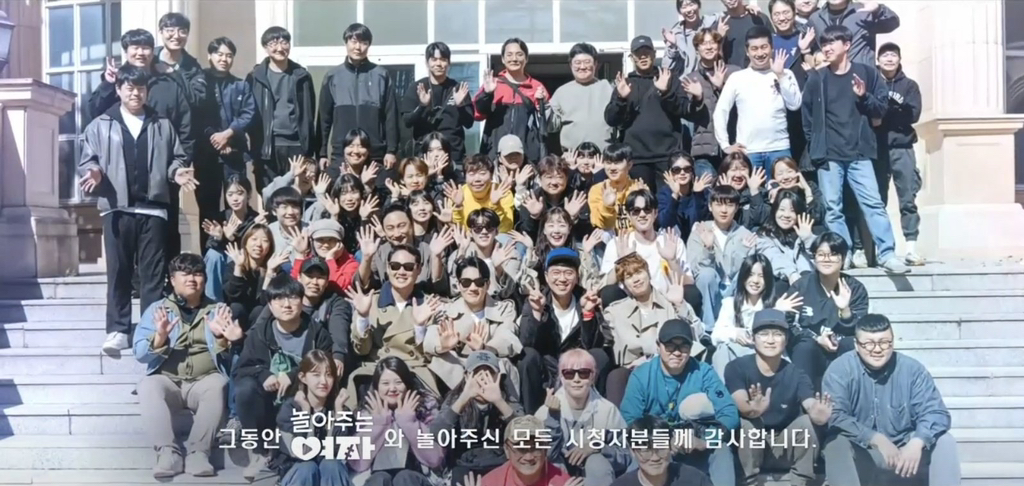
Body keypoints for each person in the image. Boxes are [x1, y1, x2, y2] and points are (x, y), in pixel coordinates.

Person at [79, 64, 197, 354]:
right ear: (118, 90)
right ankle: (118, 330)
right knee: (118, 272)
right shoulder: (101, 124)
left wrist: (176, 172)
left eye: (140, 88)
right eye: (129, 88)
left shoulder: (162, 124)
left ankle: (149, 330)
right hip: (116, 209)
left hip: (153, 210)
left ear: (147, 91)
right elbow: (88, 159)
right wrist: (94, 171)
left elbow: (177, 157)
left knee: (152, 277)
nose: (135, 93)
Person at [801, 25, 909, 274]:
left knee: (873, 204)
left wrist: (863, 96)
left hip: (859, 154)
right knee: (833, 209)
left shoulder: (867, 74)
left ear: (847, 45)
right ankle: (842, 254)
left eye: (832, 42)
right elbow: (807, 116)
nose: (826, 48)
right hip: (829, 156)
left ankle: (887, 254)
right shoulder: (817, 78)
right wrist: (816, 143)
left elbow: (881, 109)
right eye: (824, 44)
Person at [88, 29, 193, 260]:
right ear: (125, 51)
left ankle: (167, 277)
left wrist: (178, 167)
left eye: (146, 47)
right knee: (125, 241)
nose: (140, 52)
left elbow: (185, 128)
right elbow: (94, 114)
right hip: (121, 181)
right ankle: (134, 278)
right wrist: (107, 84)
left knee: (166, 233)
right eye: (135, 47)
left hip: (163, 179)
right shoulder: (115, 83)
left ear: (153, 51)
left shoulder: (168, 84)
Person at [133, 254, 240, 478]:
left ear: (204, 280)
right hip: (168, 380)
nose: (192, 279)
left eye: (198, 274)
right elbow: (140, 354)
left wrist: (222, 338)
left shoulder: (218, 310)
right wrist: (160, 337)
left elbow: (233, 359)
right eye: (185, 274)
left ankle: (198, 453)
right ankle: (168, 453)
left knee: (218, 384)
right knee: (148, 386)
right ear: (173, 280)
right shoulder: (157, 310)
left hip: (204, 380)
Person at [822, 314, 961, 486]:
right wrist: (875, 438)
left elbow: (936, 412)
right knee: (835, 444)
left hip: (906, 455)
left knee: (945, 441)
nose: (877, 349)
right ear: (856, 345)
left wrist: (918, 441)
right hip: (866, 454)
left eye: (884, 342)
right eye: (869, 343)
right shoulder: (840, 370)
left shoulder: (912, 370)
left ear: (892, 342)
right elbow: (836, 416)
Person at [233, 274, 333, 480]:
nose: (286, 304)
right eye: (279, 298)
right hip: (268, 400)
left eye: (293, 297)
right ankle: (260, 452)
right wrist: (264, 375)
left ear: (302, 301)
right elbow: (241, 369)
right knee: (245, 390)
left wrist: (293, 375)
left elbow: (326, 366)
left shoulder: (317, 333)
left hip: (302, 399)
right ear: (270, 305)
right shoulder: (260, 333)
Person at [618, 320, 738, 486]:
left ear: (691, 348)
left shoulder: (704, 372)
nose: (676, 352)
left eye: (683, 346)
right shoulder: (642, 376)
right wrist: (662, 441)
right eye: (670, 346)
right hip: (655, 445)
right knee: (638, 459)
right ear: (658, 346)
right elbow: (630, 421)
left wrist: (705, 440)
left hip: (694, 440)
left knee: (721, 450)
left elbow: (729, 414)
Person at [725, 309, 832, 486]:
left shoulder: (796, 373)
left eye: (777, 334)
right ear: (753, 338)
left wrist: (817, 413)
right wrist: (752, 410)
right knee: (747, 424)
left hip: (783, 444)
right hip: (751, 445)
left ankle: (800, 482)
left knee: (807, 423)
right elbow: (740, 401)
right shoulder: (736, 367)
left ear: (786, 339)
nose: (770, 340)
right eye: (764, 334)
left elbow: (810, 402)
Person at [517, 248, 613, 413]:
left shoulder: (586, 299)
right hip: (547, 369)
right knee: (527, 357)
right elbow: (526, 343)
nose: (562, 279)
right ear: (546, 276)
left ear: (577, 277)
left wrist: (588, 313)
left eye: (568, 273)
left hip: (577, 369)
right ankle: (531, 417)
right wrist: (537, 313)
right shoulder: (536, 300)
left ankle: (594, 413)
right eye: (556, 273)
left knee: (599, 355)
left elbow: (595, 345)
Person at [604, 253, 705, 407]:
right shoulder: (614, 312)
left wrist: (680, 305)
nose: (636, 279)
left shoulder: (670, 302)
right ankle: (619, 422)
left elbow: (697, 336)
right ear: (623, 284)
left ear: (648, 273)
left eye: (639, 272)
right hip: (633, 373)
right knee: (616, 377)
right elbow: (601, 340)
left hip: (670, 368)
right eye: (629, 276)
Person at [424, 257, 523, 393]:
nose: (473, 288)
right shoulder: (447, 310)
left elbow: (507, 336)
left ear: (487, 284)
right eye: (466, 282)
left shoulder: (504, 309)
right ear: (458, 285)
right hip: (459, 371)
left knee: (502, 364)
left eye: (479, 282)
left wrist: (484, 348)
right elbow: (430, 339)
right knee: (440, 361)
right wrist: (443, 345)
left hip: (491, 367)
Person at [714, 26, 801, 177]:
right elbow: (721, 111)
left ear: (772, 48)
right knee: (751, 191)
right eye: (754, 49)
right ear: (747, 51)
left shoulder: (786, 74)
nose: (760, 53)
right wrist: (725, 145)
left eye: (764, 47)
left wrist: (780, 76)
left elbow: (794, 105)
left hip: (779, 148)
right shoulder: (737, 78)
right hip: (748, 151)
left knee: (783, 191)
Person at [535, 350, 632, 486]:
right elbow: (545, 455)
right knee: (555, 464)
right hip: (559, 477)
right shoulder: (545, 411)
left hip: (595, 478)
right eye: (569, 374)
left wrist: (598, 447)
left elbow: (626, 455)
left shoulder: (608, 410)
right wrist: (553, 417)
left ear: (592, 377)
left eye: (584, 373)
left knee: (597, 462)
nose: (576, 379)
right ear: (561, 378)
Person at [787, 232, 868, 389]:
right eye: (821, 254)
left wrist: (845, 310)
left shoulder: (855, 288)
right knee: (804, 346)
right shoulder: (801, 286)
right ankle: (805, 398)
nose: (826, 259)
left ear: (843, 258)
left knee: (851, 344)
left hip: (840, 346)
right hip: (810, 346)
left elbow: (860, 329)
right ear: (814, 258)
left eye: (833, 254)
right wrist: (816, 338)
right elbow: (789, 324)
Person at [605, 35, 686, 191]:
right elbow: (611, 119)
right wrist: (621, 99)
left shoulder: (668, 78)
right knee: (641, 202)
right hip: (636, 158)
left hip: (667, 155)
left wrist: (666, 92)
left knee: (669, 200)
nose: (643, 57)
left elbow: (683, 110)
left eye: (647, 52)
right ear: (632, 58)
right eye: (638, 53)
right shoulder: (625, 83)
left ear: (654, 54)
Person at [431, 351, 525, 484]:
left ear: (498, 376)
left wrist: (499, 402)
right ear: (466, 376)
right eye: (477, 373)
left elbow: (526, 434)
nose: (483, 379)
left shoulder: (507, 399)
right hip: (465, 465)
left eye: (489, 373)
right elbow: (436, 435)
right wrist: (463, 399)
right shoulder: (455, 399)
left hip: (501, 462)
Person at [351, 357, 445, 485]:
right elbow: (357, 463)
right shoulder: (366, 412)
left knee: (404, 478)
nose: (392, 388)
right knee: (379, 480)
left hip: (417, 477)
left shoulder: (425, 407)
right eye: (385, 383)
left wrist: (409, 423)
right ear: (377, 387)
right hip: (376, 475)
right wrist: (379, 424)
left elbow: (435, 459)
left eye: (398, 382)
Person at [320, 23, 399, 173]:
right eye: (354, 41)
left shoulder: (381, 75)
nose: (358, 47)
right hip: (342, 153)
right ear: (346, 43)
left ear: (369, 45)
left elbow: (391, 116)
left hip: (375, 154)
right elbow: (324, 119)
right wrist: (322, 153)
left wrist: (391, 150)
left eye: (363, 43)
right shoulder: (333, 76)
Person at [247, 26, 317, 191]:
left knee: (296, 193)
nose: (280, 48)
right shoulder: (255, 77)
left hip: (296, 145)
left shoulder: (302, 76)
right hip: (267, 146)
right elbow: (249, 113)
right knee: (269, 193)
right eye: (273, 43)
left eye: (284, 42)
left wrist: (309, 150)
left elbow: (309, 113)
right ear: (265, 47)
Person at [197, 37, 255, 236]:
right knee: (208, 207)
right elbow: (196, 115)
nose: (224, 59)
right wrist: (216, 140)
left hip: (234, 154)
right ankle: (210, 250)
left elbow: (248, 113)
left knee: (237, 202)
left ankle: (237, 248)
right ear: (210, 56)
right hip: (206, 156)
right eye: (219, 54)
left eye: (229, 55)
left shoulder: (240, 85)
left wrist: (228, 133)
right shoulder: (200, 82)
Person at [711, 254, 803, 377]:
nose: (755, 280)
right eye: (751, 274)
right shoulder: (730, 304)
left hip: (766, 359)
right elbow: (715, 336)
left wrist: (775, 312)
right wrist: (735, 333)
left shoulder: (777, 304)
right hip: (739, 356)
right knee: (722, 351)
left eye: (761, 276)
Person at [874, 42, 924, 266]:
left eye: (893, 55)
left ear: (899, 59)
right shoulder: (872, 82)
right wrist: (895, 112)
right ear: (878, 60)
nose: (889, 59)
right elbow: (869, 114)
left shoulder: (910, 86)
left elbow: (912, 115)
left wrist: (885, 113)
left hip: (902, 147)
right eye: (885, 55)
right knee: (877, 200)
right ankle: (881, 250)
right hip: (877, 149)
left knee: (908, 198)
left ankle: (911, 248)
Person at [274, 350, 352, 486]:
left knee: (331, 465)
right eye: (316, 375)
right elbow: (302, 453)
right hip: (298, 475)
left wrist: (339, 414)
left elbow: (340, 453)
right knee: (307, 468)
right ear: (303, 377)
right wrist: (306, 413)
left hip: (330, 476)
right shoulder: (290, 409)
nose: (323, 381)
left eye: (329, 375)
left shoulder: (340, 409)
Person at [600, 189, 693, 297]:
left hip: (668, 302)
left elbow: (689, 284)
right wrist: (622, 261)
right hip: (630, 303)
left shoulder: (672, 242)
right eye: (636, 211)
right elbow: (606, 286)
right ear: (628, 215)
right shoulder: (617, 244)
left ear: (655, 213)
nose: (642, 214)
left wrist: (672, 261)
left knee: (693, 294)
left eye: (647, 209)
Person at [685, 185, 755, 328]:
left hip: (735, 290)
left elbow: (742, 272)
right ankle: (708, 328)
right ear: (710, 207)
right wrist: (709, 249)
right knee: (707, 274)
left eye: (729, 205)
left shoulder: (745, 234)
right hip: (711, 291)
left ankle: (739, 324)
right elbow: (697, 270)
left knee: (746, 274)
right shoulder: (700, 231)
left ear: (736, 208)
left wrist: (742, 251)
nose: (724, 210)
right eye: (718, 204)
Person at [475, 38, 549, 163]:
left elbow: (547, 123)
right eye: (509, 55)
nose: (514, 59)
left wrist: (542, 104)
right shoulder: (493, 83)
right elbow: (477, 115)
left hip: (527, 158)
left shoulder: (537, 87)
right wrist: (487, 94)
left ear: (526, 58)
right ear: (503, 59)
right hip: (495, 155)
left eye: (519, 54)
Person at [401, 42, 474, 166]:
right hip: (425, 156)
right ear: (427, 63)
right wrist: (422, 106)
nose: (438, 64)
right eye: (434, 59)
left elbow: (469, 123)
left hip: (453, 155)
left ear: (449, 63)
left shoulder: (458, 88)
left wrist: (460, 105)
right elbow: (407, 121)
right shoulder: (417, 87)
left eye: (443, 59)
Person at [681, 28, 740, 180]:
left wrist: (721, 88)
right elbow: (688, 115)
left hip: (732, 146)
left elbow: (743, 107)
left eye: (712, 42)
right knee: (706, 192)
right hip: (704, 151)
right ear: (697, 49)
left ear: (719, 45)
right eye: (703, 43)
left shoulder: (734, 73)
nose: (708, 47)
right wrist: (698, 98)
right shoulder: (691, 79)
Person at [356, 202, 448, 290]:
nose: (397, 234)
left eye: (401, 226)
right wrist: (367, 258)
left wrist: (436, 257)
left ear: (412, 225)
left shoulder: (430, 250)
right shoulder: (380, 253)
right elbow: (363, 285)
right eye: (390, 228)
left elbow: (440, 288)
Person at [547, 42, 615, 152]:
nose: (582, 67)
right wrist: (543, 104)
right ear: (571, 65)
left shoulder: (608, 88)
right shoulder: (562, 92)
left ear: (595, 64)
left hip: (605, 156)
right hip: (573, 157)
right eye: (577, 63)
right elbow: (551, 126)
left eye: (587, 62)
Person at [610, 415, 713, 486]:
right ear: (633, 451)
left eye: (661, 448)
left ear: (670, 447)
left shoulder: (695, 480)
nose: (655, 458)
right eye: (646, 450)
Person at [480, 415, 580, 486]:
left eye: (536, 447)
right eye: (521, 448)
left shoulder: (562, 482)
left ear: (545, 449)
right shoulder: (491, 482)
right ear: (507, 450)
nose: (528, 457)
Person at [755, 188, 817, 292]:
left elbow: (820, 259)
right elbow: (773, 256)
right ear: (775, 211)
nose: (786, 215)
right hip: (779, 285)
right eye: (782, 209)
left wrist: (808, 240)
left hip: (807, 284)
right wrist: (791, 273)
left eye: (792, 211)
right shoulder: (764, 235)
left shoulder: (808, 232)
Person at [806, 0, 900, 66]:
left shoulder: (864, 11)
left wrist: (879, 10)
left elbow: (892, 24)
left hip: (861, 77)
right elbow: (801, 35)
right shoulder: (816, 18)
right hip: (830, 79)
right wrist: (805, 50)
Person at [223, 223, 278, 326]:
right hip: (237, 320)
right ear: (245, 242)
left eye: (265, 240)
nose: (259, 244)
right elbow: (232, 296)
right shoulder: (232, 266)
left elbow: (265, 302)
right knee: (236, 307)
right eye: (254, 239)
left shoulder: (274, 268)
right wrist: (238, 267)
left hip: (260, 323)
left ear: (270, 246)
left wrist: (269, 273)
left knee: (260, 310)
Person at [444, 155, 515, 234]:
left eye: (482, 173)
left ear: (491, 176)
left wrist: (496, 205)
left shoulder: (502, 192)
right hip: (467, 238)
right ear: (465, 177)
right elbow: (459, 231)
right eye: (471, 174)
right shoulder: (458, 194)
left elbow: (505, 229)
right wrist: (458, 206)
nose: (477, 179)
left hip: (494, 237)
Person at [288, 219, 359, 293]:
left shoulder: (350, 264)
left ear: (339, 243)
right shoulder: (309, 259)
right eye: (320, 240)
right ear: (312, 241)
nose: (326, 245)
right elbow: (294, 288)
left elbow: (339, 289)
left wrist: (330, 260)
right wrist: (300, 254)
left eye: (331, 240)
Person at [154, 13, 206, 109]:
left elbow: (198, 99)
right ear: (160, 32)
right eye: (170, 31)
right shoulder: (150, 59)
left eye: (182, 31)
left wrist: (174, 74)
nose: (176, 36)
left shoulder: (193, 67)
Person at [657, 152, 713, 242]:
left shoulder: (702, 191)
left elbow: (701, 221)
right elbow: (665, 223)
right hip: (673, 242)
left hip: (698, 241)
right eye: (676, 170)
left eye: (687, 169)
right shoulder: (664, 193)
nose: (682, 173)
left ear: (692, 172)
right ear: (670, 173)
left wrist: (698, 195)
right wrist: (675, 196)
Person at [588, 144, 643, 233]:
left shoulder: (638, 188)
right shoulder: (598, 190)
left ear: (629, 165)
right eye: (608, 163)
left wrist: (642, 200)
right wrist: (608, 206)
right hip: (609, 237)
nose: (612, 168)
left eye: (617, 163)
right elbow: (601, 224)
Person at [662, 0, 718, 80]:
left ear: (699, 5)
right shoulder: (675, 34)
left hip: (712, 80)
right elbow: (667, 67)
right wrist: (673, 47)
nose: (688, 10)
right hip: (687, 83)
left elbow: (728, 14)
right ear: (679, 11)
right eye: (684, 7)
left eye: (691, 5)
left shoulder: (711, 23)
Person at [716, 152, 771, 231]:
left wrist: (754, 192)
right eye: (733, 170)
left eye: (743, 169)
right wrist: (727, 194)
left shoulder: (760, 192)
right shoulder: (715, 194)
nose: (738, 175)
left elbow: (761, 220)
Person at [714, 0, 772, 68]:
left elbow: (774, 47)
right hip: (731, 73)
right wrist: (719, 38)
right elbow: (714, 58)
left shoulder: (759, 19)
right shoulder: (719, 25)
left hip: (761, 72)